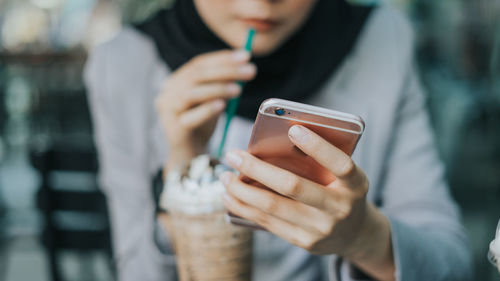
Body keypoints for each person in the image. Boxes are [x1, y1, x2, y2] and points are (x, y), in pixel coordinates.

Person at [84, 0, 473, 280]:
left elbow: (452, 266)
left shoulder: (381, 39)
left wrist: (364, 236)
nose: (262, 2)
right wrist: (181, 172)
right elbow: (136, 271)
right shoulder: (120, 63)